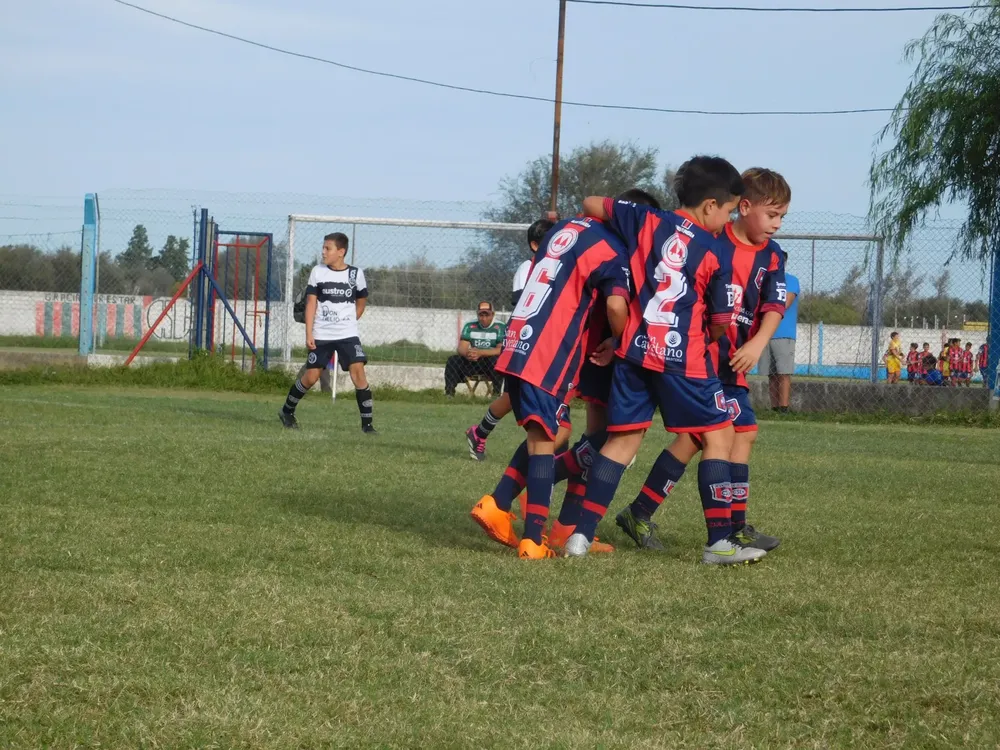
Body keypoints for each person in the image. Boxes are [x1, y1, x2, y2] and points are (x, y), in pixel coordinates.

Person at [569, 155, 765, 565]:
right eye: (729, 211)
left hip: (634, 353)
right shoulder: (715, 250)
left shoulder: (644, 219)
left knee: (622, 441)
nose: (728, 220)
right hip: (685, 360)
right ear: (710, 206)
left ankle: (580, 536)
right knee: (718, 436)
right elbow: (720, 322)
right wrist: (699, 339)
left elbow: (590, 203)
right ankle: (718, 544)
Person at [614, 167, 790, 555]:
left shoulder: (772, 255)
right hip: (702, 361)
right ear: (744, 207)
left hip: (734, 362)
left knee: (703, 437)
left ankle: (642, 511)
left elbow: (776, 305)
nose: (777, 224)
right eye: (772, 215)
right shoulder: (711, 240)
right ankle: (730, 530)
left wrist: (757, 343)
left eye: (781, 217)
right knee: (733, 432)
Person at [469, 214, 630, 560]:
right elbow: (616, 304)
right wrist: (622, 338)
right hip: (548, 353)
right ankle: (530, 536)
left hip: (519, 343)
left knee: (547, 436)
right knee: (547, 442)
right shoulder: (610, 247)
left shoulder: (566, 231)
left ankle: (503, 506)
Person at [465, 219, 554, 460]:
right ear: (535, 245)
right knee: (517, 396)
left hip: (550, 339)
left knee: (524, 396)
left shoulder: (561, 266)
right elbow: (525, 304)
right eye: (552, 240)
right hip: (527, 339)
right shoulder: (527, 268)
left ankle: (480, 433)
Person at [279, 232, 375, 433]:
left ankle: (367, 426)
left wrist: (348, 322)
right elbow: (311, 304)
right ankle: (287, 411)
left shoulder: (355, 274)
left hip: (347, 335)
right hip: (322, 334)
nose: (323, 252)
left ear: (341, 252)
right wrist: (309, 333)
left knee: (358, 373)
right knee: (311, 377)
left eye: (327, 248)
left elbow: (361, 302)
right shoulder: (318, 272)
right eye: (323, 248)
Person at [761, 251, 799, 412]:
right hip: (765, 333)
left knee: (783, 372)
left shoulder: (791, 280)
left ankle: (784, 408)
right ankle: (774, 408)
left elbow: (785, 304)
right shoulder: (764, 280)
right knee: (771, 374)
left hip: (783, 333)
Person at [444, 302, 505, 398]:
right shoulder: (470, 325)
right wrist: (468, 353)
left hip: (489, 361)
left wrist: (481, 353)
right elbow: (461, 347)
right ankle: (449, 394)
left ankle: (496, 394)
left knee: (497, 361)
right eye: (481, 315)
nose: (484, 318)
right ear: (477, 314)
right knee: (452, 360)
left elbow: (500, 349)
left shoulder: (501, 326)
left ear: (493, 314)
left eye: (487, 315)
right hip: (473, 360)